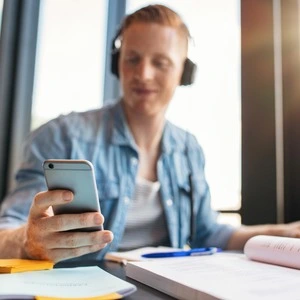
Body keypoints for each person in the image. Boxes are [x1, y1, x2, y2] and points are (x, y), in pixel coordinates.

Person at [0, 4, 300, 263]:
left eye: (161, 62)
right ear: (117, 64)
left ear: (184, 72)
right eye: (132, 58)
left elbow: (209, 233)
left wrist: (283, 233)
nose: (143, 74)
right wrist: (28, 240)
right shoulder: (61, 136)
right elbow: (6, 231)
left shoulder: (188, 149)